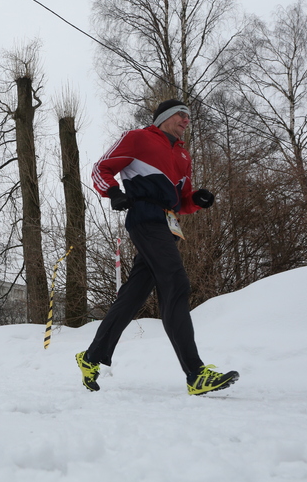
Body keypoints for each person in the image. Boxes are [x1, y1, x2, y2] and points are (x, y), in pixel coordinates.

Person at [76, 99, 239, 396]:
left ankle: (91, 356)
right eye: (181, 115)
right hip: (144, 218)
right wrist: (113, 192)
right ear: (163, 117)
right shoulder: (138, 138)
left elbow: (182, 198)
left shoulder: (184, 155)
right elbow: (102, 168)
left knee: (134, 294)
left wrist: (196, 200)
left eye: (189, 117)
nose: (186, 121)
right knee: (175, 282)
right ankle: (195, 373)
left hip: (168, 225)